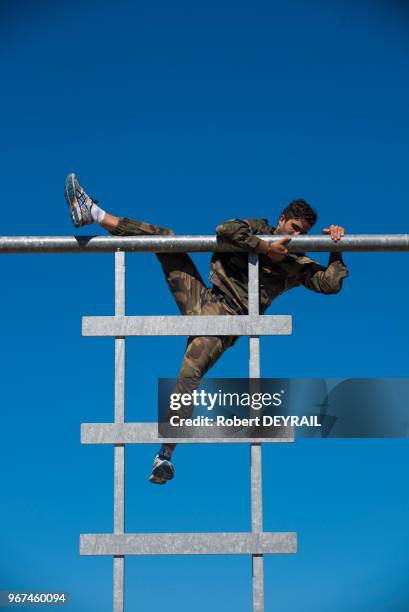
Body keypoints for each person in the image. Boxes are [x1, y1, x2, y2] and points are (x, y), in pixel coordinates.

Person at [64, 172, 348, 484]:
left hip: (228, 318)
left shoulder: (296, 262)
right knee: (166, 238)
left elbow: (330, 283)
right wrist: (265, 248)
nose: (298, 238)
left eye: (304, 234)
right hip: (204, 296)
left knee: (189, 374)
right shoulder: (260, 229)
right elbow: (225, 229)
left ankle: (165, 455)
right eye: (295, 229)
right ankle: (95, 214)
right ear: (282, 220)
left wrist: (335, 247)